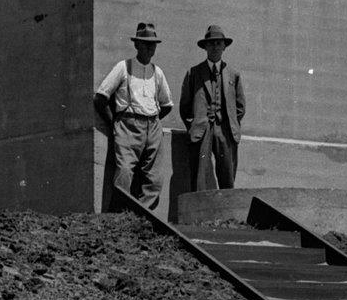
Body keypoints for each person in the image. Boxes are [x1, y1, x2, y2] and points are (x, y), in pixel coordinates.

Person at [93, 22, 174, 213]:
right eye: (145, 43)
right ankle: (118, 217)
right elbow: (100, 98)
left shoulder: (157, 72)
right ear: (136, 45)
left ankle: (140, 217)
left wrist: (151, 121)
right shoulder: (123, 67)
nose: (149, 48)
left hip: (153, 126)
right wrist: (115, 122)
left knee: (154, 179)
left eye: (152, 44)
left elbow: (167, 105)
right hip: (127, 125)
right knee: (124, 173)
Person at [178, 25, 247, 191]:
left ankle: (227, 214)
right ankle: (198, 215)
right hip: (202, 130)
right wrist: (194, 124)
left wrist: (231, 123)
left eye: (218, 43)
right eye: (211, 43)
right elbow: (185, 106)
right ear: (205, 47)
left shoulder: (233, 74)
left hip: (225, 130)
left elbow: (240, 106)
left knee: (227, 175)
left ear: (224, 47)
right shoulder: (194, 73)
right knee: (199, 176)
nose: (215, 47)